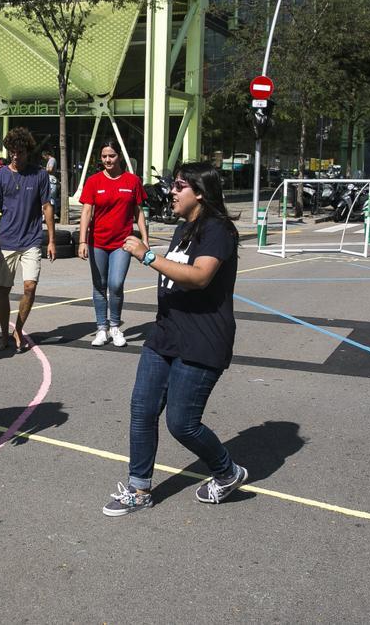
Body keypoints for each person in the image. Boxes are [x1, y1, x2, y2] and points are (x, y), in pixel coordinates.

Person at [102, 162, 246, 516]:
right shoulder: (185, 227)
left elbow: (198, 276)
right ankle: (138, 489)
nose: (171, 191)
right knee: (142, 410)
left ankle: (227, 472)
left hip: (202, 339)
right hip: (166, 333)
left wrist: (148, 256)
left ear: (200, 191)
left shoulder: (218, 230)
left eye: (179, 185)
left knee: (182, 423)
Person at [0, 127, 54, 351]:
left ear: (28, 151)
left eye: (21, 152)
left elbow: (46, 207)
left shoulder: (40, 175)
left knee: (30, 287)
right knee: (4, 289)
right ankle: (4, 335)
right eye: (12, 152)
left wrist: (52, 240)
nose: (16, 156)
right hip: (5, 241)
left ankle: (18, 329)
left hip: (32, 241)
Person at [78, 141, 148, 347]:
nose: (108, 160)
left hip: (122, 243)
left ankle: (115, 326)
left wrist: (145, 238)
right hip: (97, 242)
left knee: (115, 284)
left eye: (112, 156)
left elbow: (138, 212)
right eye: (104, 156)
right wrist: (82, 240)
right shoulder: (93, 181)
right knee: (99, 286)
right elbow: (86, 212)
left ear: (119, 157)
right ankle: (102, 328)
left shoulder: (132, 181)